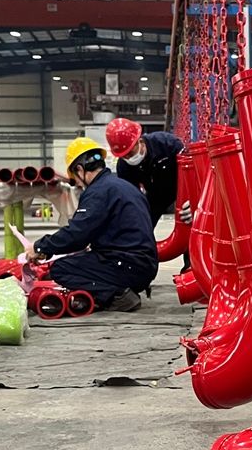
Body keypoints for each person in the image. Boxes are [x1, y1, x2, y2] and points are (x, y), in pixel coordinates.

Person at [26, 137, 158, 312]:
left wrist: (40, 247)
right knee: (84, 259)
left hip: (128, 265)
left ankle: (118, 295)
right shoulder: (122, 186)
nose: (78, 184)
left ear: (80, 169)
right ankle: (120, 289)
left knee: (61, 269)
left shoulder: (98, 191)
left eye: (75, 179)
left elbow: (77, 234)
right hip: (143, 265)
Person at [105, 118, 193, 227]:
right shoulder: (123, 166)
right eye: (124, 156)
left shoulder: (167, 144)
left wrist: (194, 199)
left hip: (181, 186)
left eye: (131, 153)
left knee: (188, 216)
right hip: (155, 194)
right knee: (142, 223)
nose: (129, 158)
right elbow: (131, 197)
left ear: (140, 142)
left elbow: (191, 171)